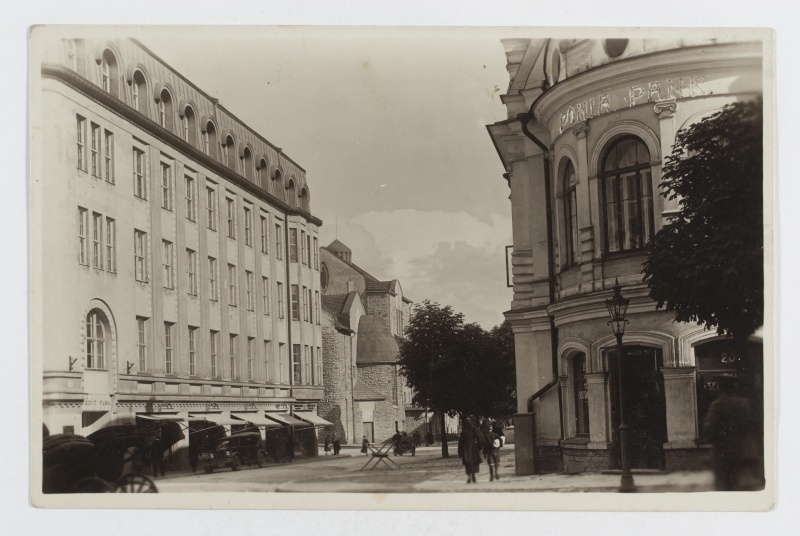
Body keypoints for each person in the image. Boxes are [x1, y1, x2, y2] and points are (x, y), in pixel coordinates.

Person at [702, 378, 764, 491]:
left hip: (723, 450)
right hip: (742, 448)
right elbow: (750, 424)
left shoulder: (718, 404)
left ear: (721, 389)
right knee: (741, 481)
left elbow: (710, 427)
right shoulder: (743, 403)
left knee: (725, 483)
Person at [457, 417, 485, 484]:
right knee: (474, 462)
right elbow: (479, 438)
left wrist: (460, 451)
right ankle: (473, 476)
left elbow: (460, 442)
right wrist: (480, 447)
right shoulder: (474, 431)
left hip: (466, 449)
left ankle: (469, 477)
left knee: (467, 463)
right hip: (473, 448)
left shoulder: (463, 432)